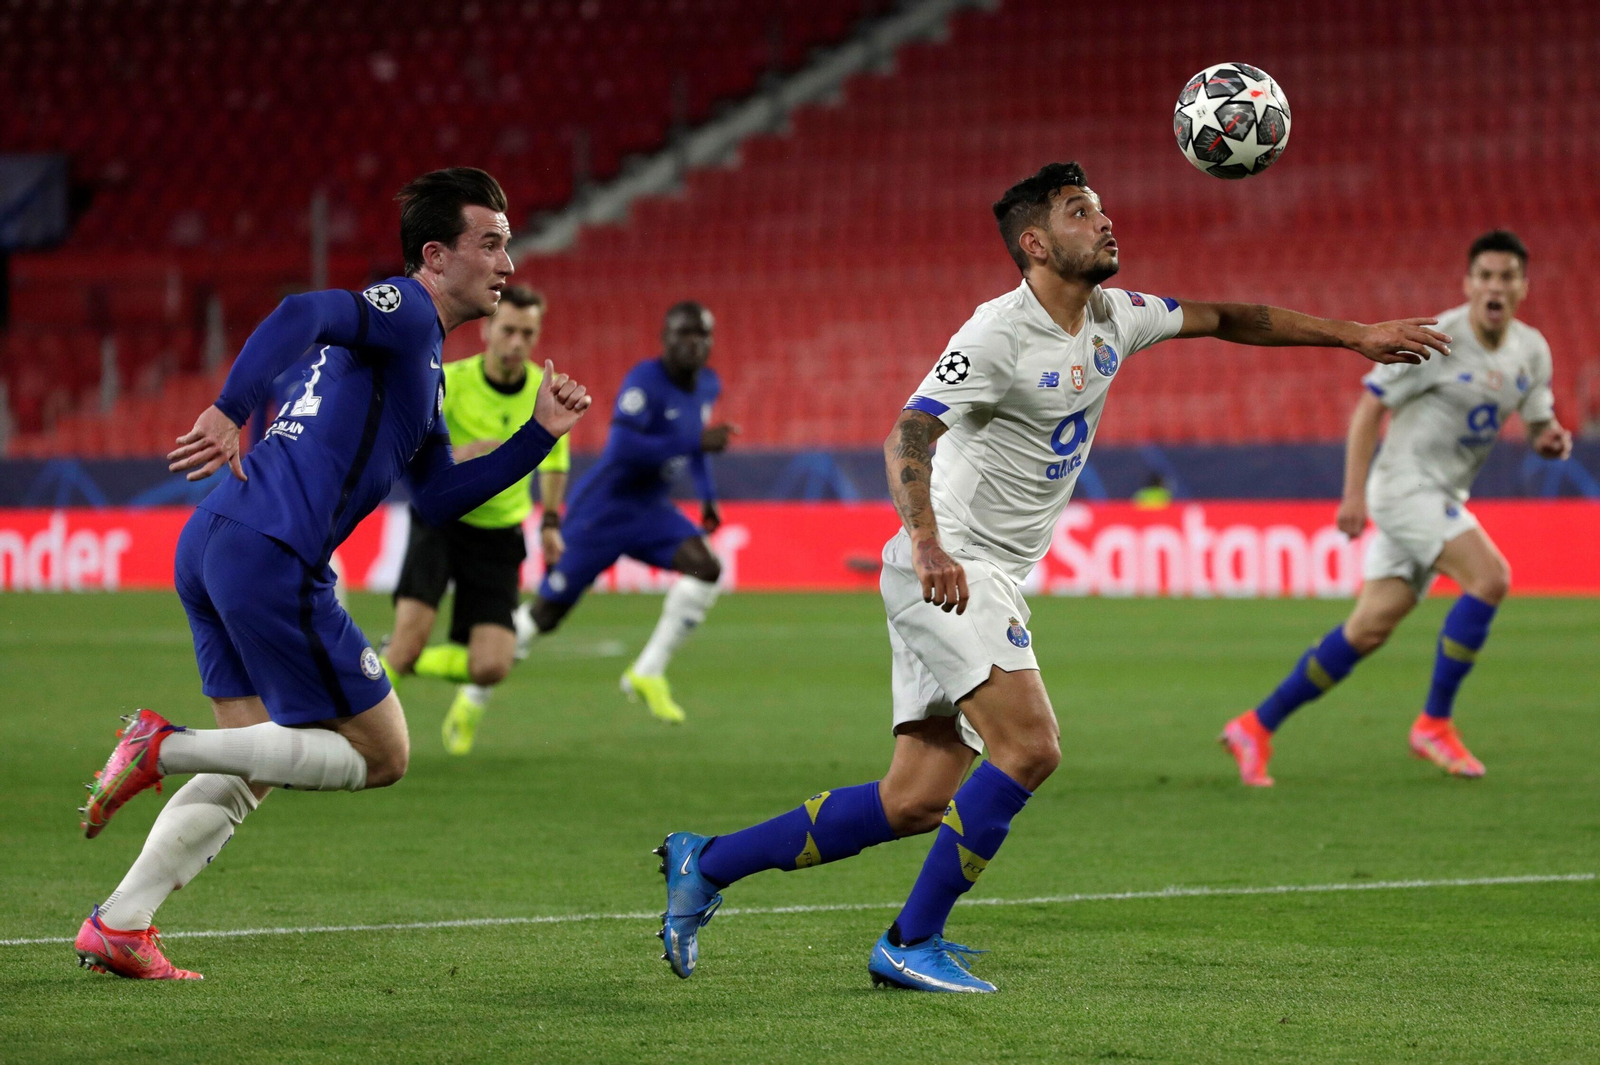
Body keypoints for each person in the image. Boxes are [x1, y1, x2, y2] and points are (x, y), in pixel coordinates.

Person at [651, 161, 1451, 993]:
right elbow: (908, 434)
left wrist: (1353, 333)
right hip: (952, 566)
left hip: (974, 574)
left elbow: (1229, 317)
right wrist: (928, 545)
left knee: (916, 797)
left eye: (1100, 209)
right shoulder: (998, 333)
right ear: (1035, 244)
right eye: (1080, 212)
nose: (1105, 223)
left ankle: (706, 861)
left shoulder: (1116, 315)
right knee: (1030, 745)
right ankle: (908, 940)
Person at [73, 168, 593, 980]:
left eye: (508, 245)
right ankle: (160, 747)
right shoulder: (406, 310)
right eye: (490, 243)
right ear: (435, 254)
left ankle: (121, 923)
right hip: (275, 554)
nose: (507, 263)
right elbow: (300, 311)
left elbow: (441, 495)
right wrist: (229, 406)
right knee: (384, 753)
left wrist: (537, 436)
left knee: (253, 761)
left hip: (215, 540)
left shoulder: (419, 373)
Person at [1221, 230, 1571, 786]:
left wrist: (1549, 436)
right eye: (1485, 275)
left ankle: (1255, 726)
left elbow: (1537, 421)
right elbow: (1369, 409)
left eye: (1507, 276)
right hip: (1404, 488)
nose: (1495, 286)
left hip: (1444, 495)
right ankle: (1434, 723)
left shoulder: (1532, 350)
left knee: (1367, 630)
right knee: (1490, 578)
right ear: (1469, 284)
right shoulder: (1440, 338)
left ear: (1523, 287)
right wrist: (1354, 493)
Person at [514, 301, 735, 724]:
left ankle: (647, 671)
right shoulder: (644, 381)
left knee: (707, 567)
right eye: (684, 334)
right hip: (604, 510)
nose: (694, 343)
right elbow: (622, 450)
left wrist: (707, 497)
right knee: (547, 614)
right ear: (665, 340)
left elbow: (696, 445)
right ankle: (474, 691)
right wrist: (694, 443)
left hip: (650, 508)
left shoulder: (708, 384)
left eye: (702, 334)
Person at [380, 285, 570, 755]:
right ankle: (356, 732)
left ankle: (392, 662)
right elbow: (405, 449)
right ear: (486, 330)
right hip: (441, 520)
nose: (517, 343)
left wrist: (549, 523)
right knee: (407, 641)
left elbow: (555, 462)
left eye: (527, 333)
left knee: (491, 667)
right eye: (508, 330)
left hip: (499, 534)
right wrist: (456, 458)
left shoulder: (542, 393)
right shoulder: (448, 381)